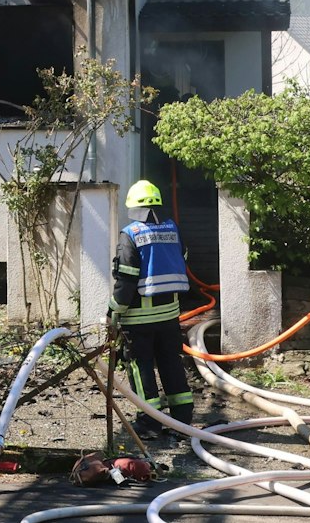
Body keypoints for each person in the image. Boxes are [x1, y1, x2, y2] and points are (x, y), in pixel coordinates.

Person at [111, 179, 192, 432]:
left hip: (138, 318)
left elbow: (126, 279)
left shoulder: (131, 234)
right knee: (171, 361)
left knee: (140, 365)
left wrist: (114, 311)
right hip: (170, 315)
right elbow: (183, 257)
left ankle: (150, 420)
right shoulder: (172, 230)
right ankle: (182, 417)